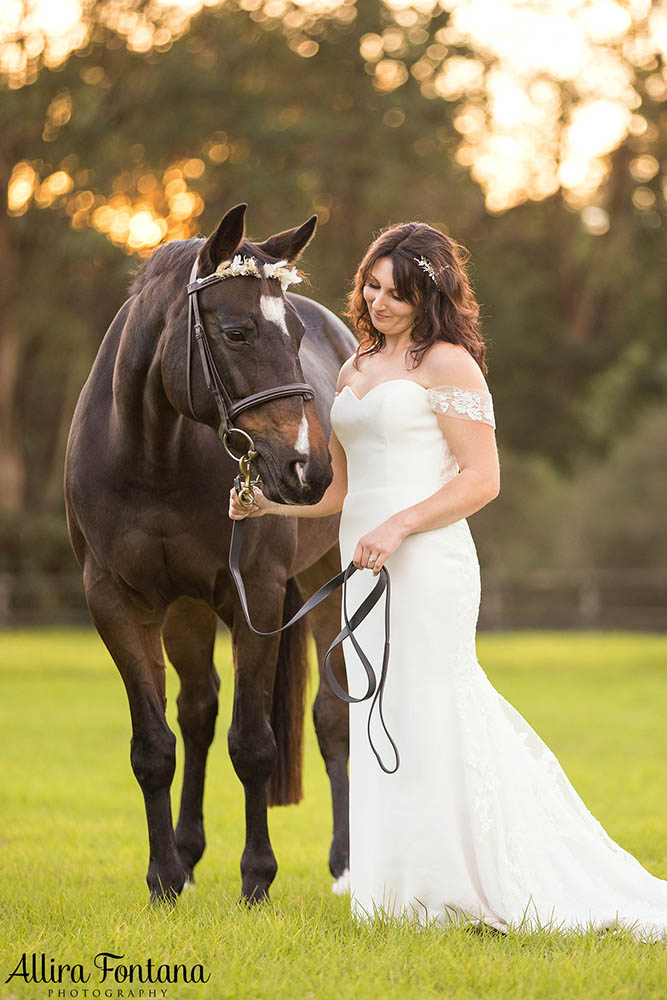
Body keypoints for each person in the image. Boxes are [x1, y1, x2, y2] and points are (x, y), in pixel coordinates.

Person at [229, 221, 667, 939]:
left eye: (396, 294)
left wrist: (399, 526)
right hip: (361, 558)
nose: (378, 303)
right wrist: (265, 503)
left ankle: (466, 878)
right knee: (378, 715)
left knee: (432, 705)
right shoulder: (353, 371)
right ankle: (395, 884)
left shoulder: (450, 364)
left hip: (427, 562)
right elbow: (339, 489)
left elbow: (481, 480)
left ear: (428, 296)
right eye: (371, 286)